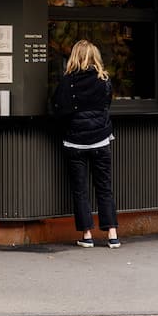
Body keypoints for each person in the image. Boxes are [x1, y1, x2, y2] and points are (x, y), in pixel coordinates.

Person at [51, 39, 120, 249]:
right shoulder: (104, 80)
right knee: (104, 188)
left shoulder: (67, 82)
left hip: (75, 143)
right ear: (94, 57)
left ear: (74, 57)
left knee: (80, 190)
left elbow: (58, 109)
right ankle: (112, 234)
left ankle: (87, 234)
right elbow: (106, 106)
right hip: (101, 140)